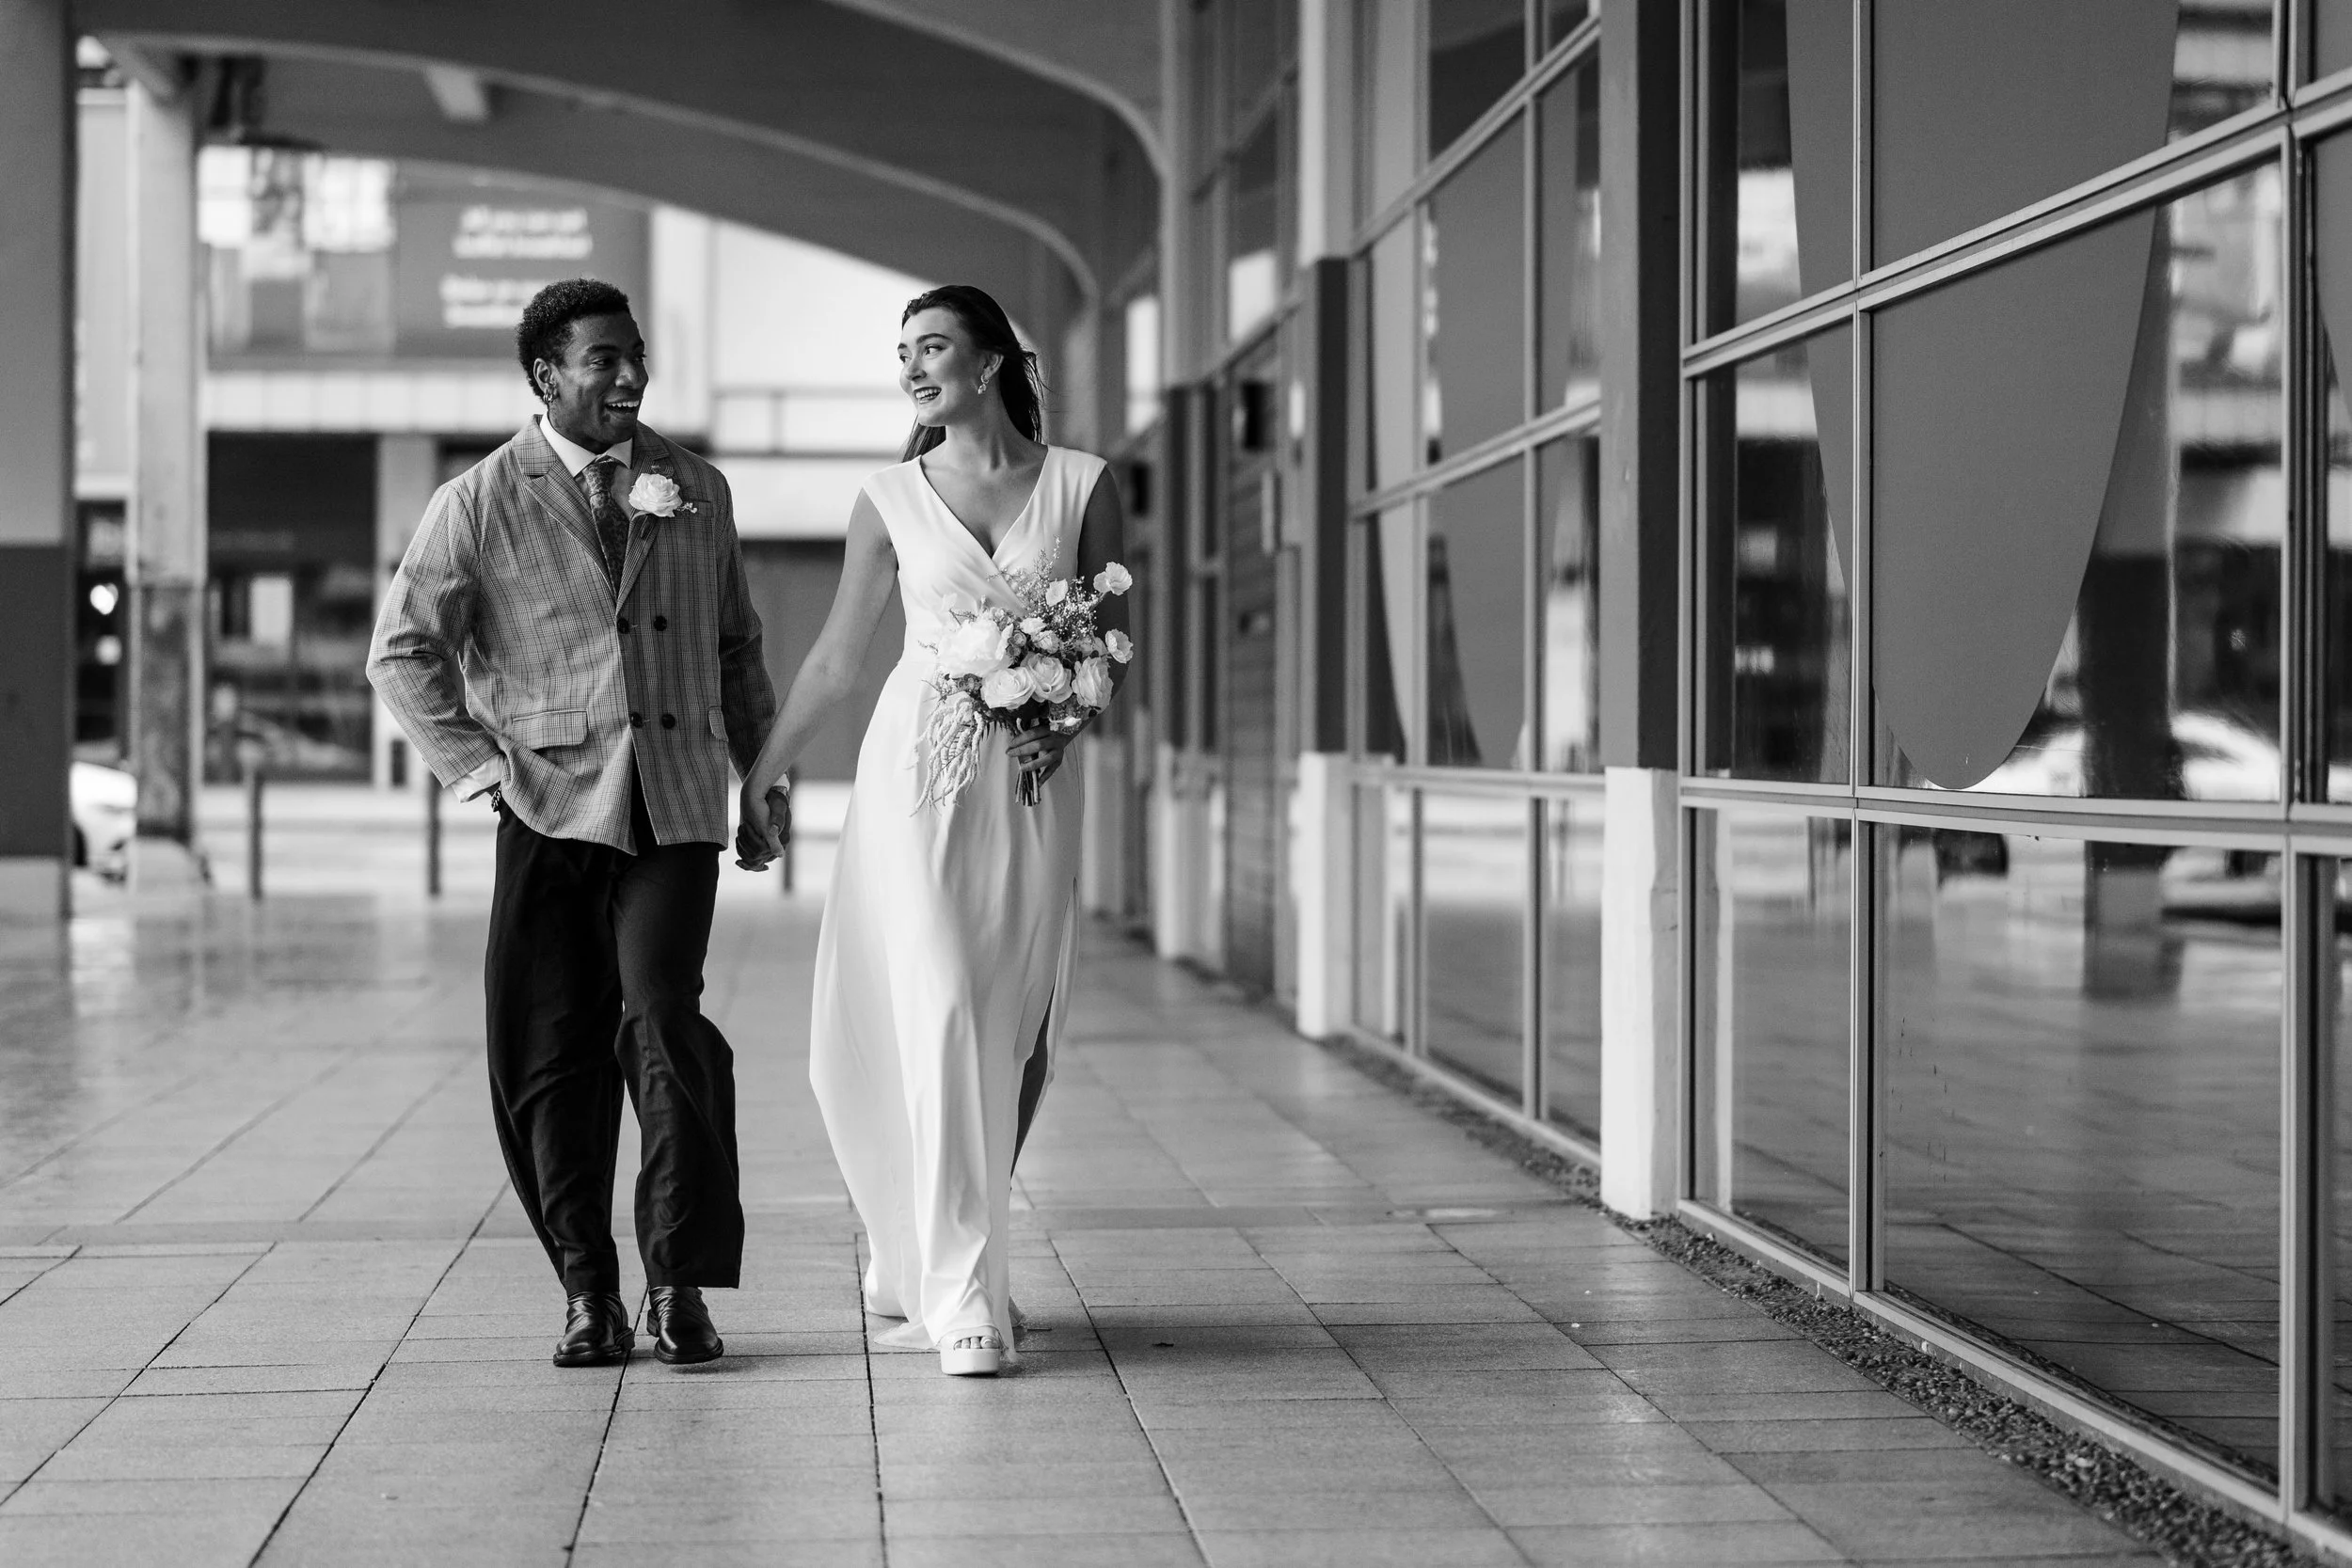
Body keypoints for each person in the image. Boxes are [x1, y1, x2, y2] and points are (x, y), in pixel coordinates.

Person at [368, 277, 776, 1370]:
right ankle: (587, 1288)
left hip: (676, 803)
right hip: (548, 806)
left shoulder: (696, 487)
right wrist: (477, 770)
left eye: (637, 354)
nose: (631, 375)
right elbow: (401, 651)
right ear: (546, 375)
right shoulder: (477, 499)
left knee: (665, 1021)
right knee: (548, 1052)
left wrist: (761, 776)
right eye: (605, 358)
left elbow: (735, 645)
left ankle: (677, 1281)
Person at [736, 284, 1129, 1377]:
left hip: (1032, 784)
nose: (911, 367)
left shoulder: (1084, 485)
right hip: (915, 776)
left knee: (1013, 1027)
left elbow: (1114, 646)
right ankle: (964, 1302)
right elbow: (834, 660)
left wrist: (1069, 718)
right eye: (902, 351)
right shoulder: (888, 497)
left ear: (991, 362)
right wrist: (761, 775)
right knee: (945, 999)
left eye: (934, 347)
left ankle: (927, 1242)